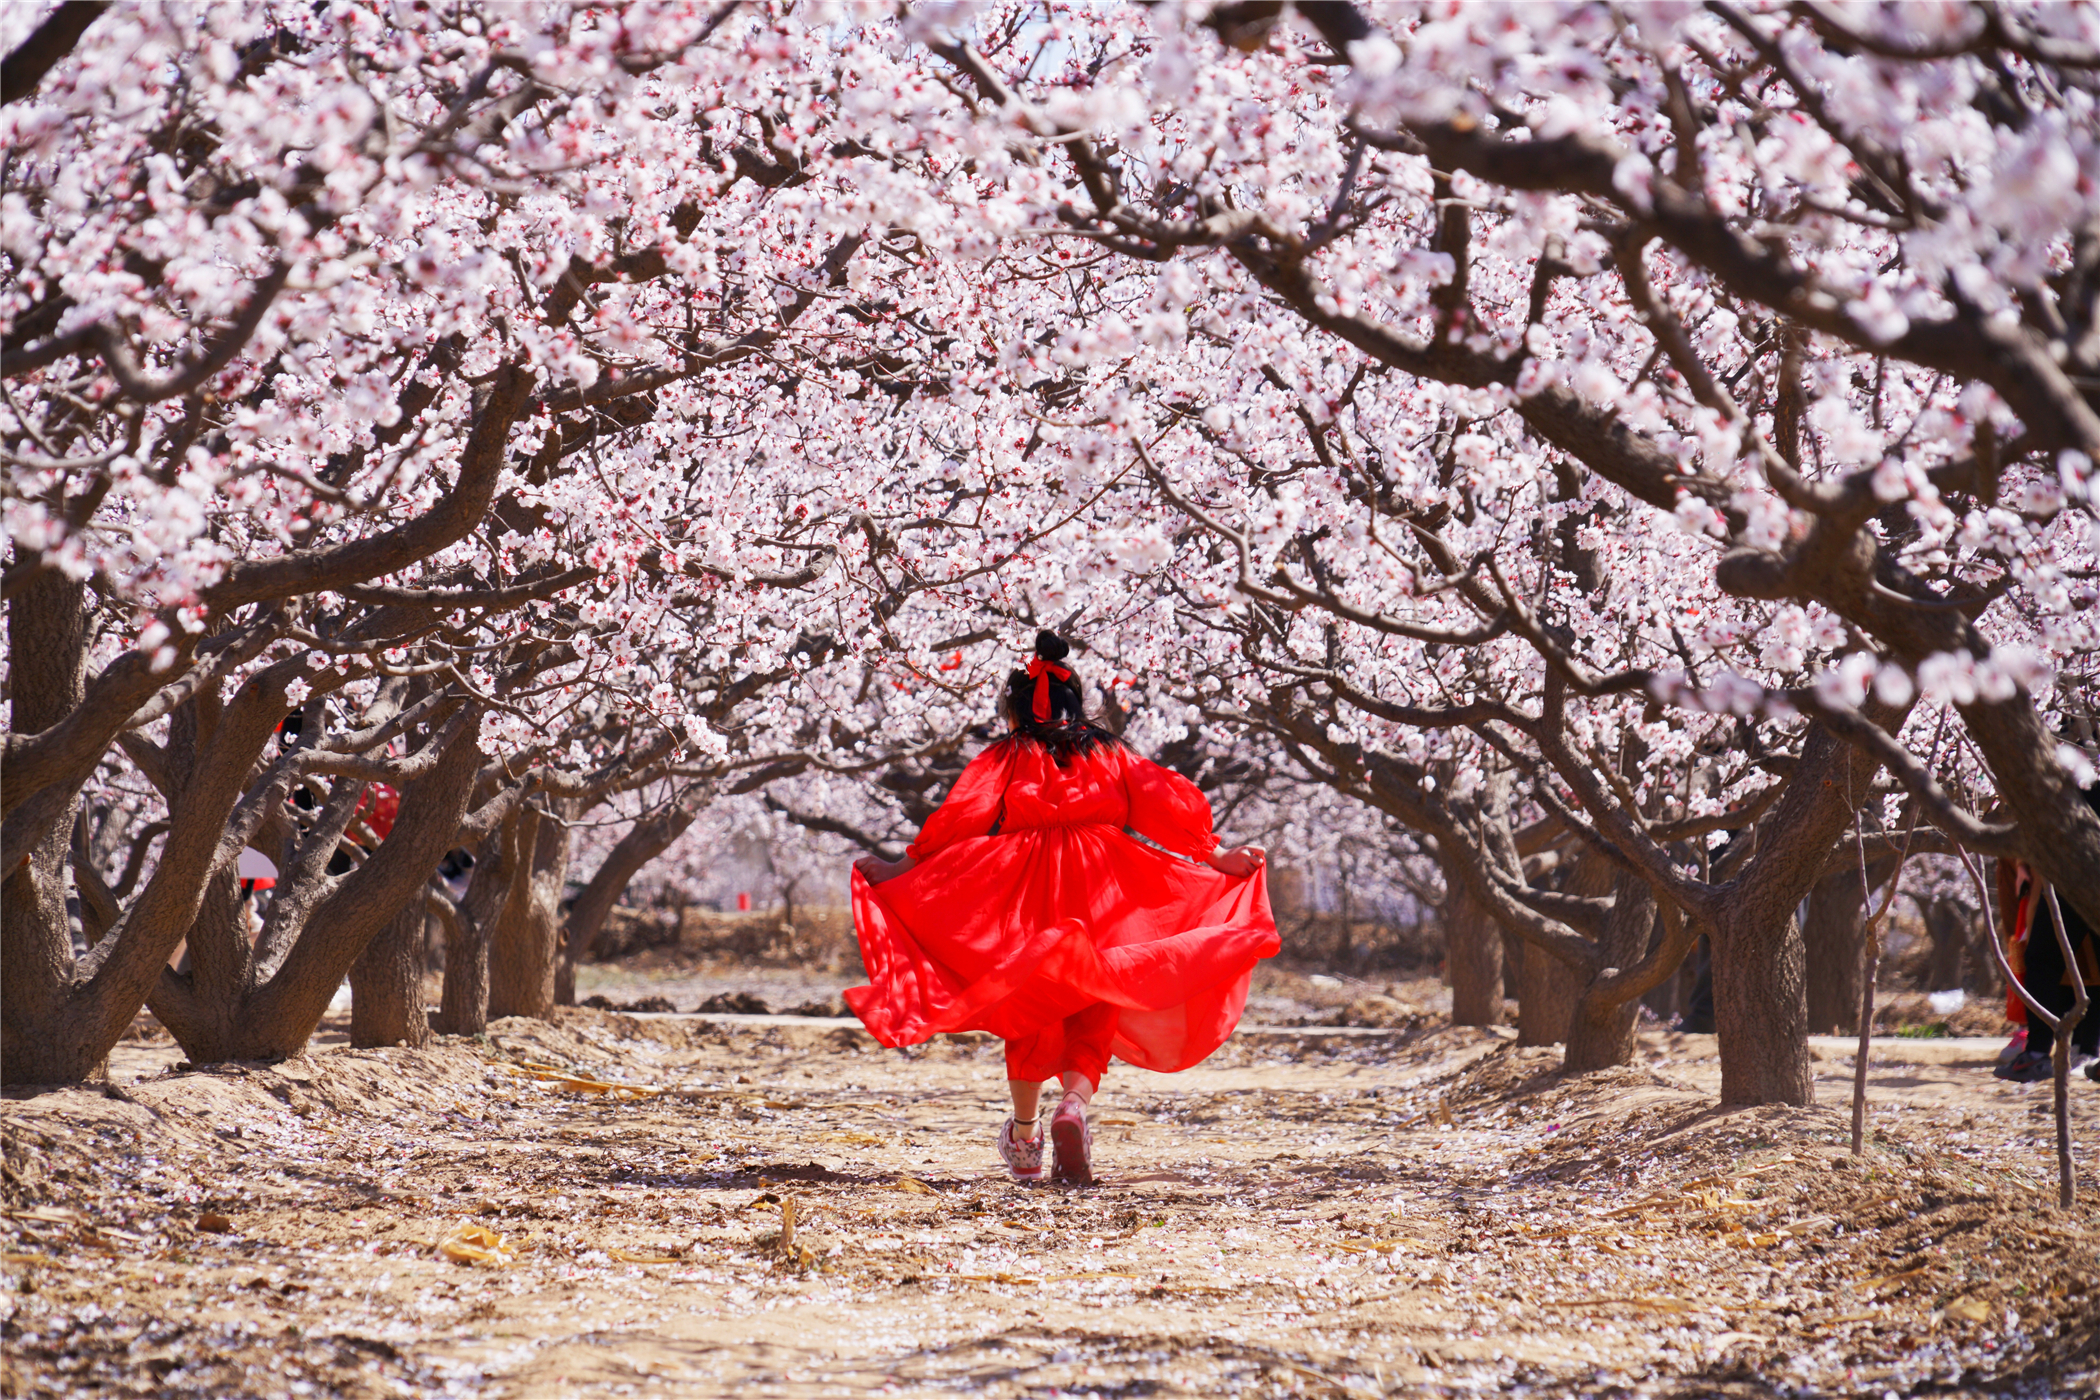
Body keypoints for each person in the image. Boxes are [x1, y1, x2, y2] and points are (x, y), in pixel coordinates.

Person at [847, 632, 1278, 1184]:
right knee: (1098, 994)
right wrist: (1217, 856)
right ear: (1078, 704)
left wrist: (902, 869)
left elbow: (962, 817)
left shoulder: (1007, 756)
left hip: (1028, 885)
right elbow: (1162, 802)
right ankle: (1073, 1105)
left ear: (1014, 709)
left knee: (1029, 1002)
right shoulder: (1108, 752)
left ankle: (1026, 1135)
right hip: (1107, 883)